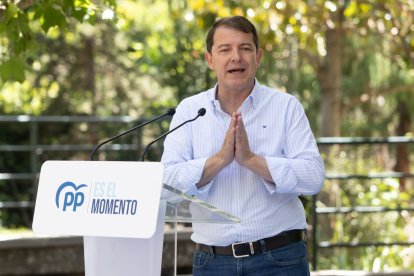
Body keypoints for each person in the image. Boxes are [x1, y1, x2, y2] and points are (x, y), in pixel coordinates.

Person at [161, 15, 325, 276]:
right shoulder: (190, 111)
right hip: (213, 261)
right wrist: (218, 161)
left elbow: (313, 177)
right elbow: (165, 184)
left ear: (258, 57)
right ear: (210, 59)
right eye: (225, 49)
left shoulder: (285, 107)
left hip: (279, 259)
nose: (236, 57)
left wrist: (252, 160)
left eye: (245, 48)